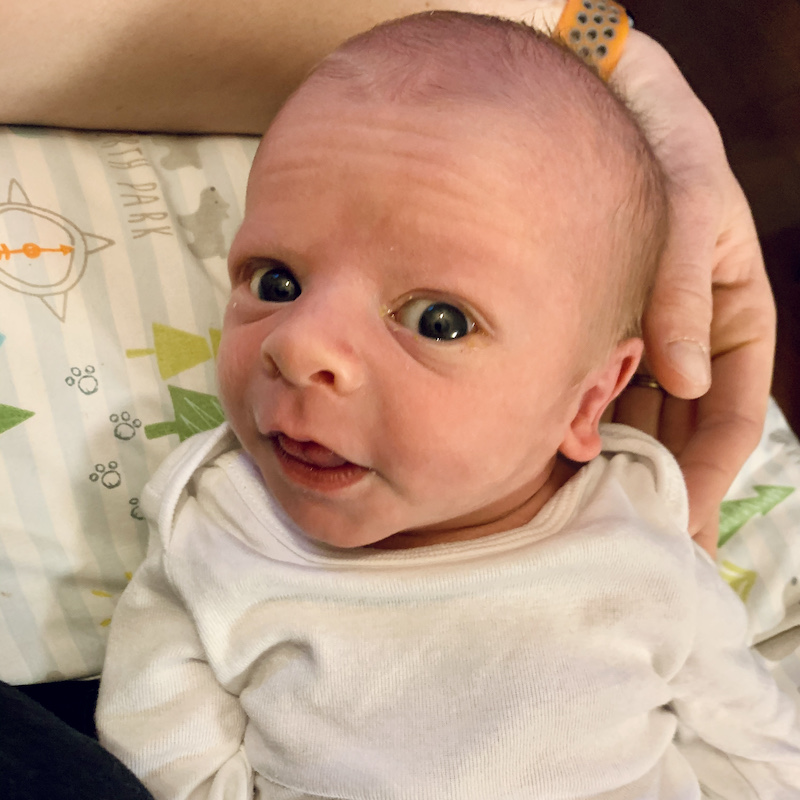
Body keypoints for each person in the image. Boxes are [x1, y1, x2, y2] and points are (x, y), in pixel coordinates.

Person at [95, 14, 800, 799]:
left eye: (440, 321)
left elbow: (752, 748)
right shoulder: (215, 523)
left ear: (590, 397)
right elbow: (163, 748)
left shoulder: (637, 529)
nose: (298, 346)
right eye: (275, 282)